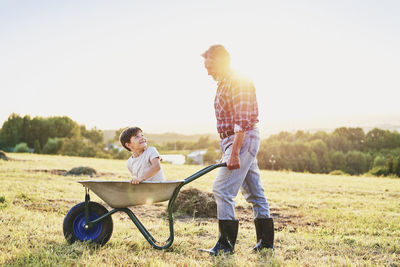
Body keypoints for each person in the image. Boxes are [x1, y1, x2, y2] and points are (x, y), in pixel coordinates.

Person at [201, 45, 274, 255]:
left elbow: (242, 121)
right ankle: (266, 243)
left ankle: (225, 245)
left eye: (210, 65)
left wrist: (233, 152)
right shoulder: (224, 83)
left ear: (221, 61)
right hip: (234, 141)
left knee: (221, 189)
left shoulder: (238, 81)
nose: (207, 71)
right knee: (254, 193)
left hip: (241, 140)